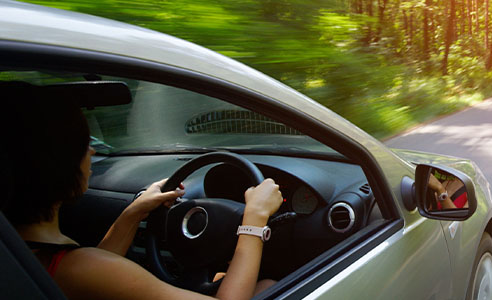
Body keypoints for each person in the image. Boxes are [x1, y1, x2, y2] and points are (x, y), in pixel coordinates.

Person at [0, 81, 281, 300]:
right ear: (55, 164)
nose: (92, 150)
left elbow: (92, 270)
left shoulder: (21, 251)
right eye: (83, 143)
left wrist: (134, 213)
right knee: (269, 286)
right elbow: (92, 270)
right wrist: (254, 220)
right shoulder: (78, 268)